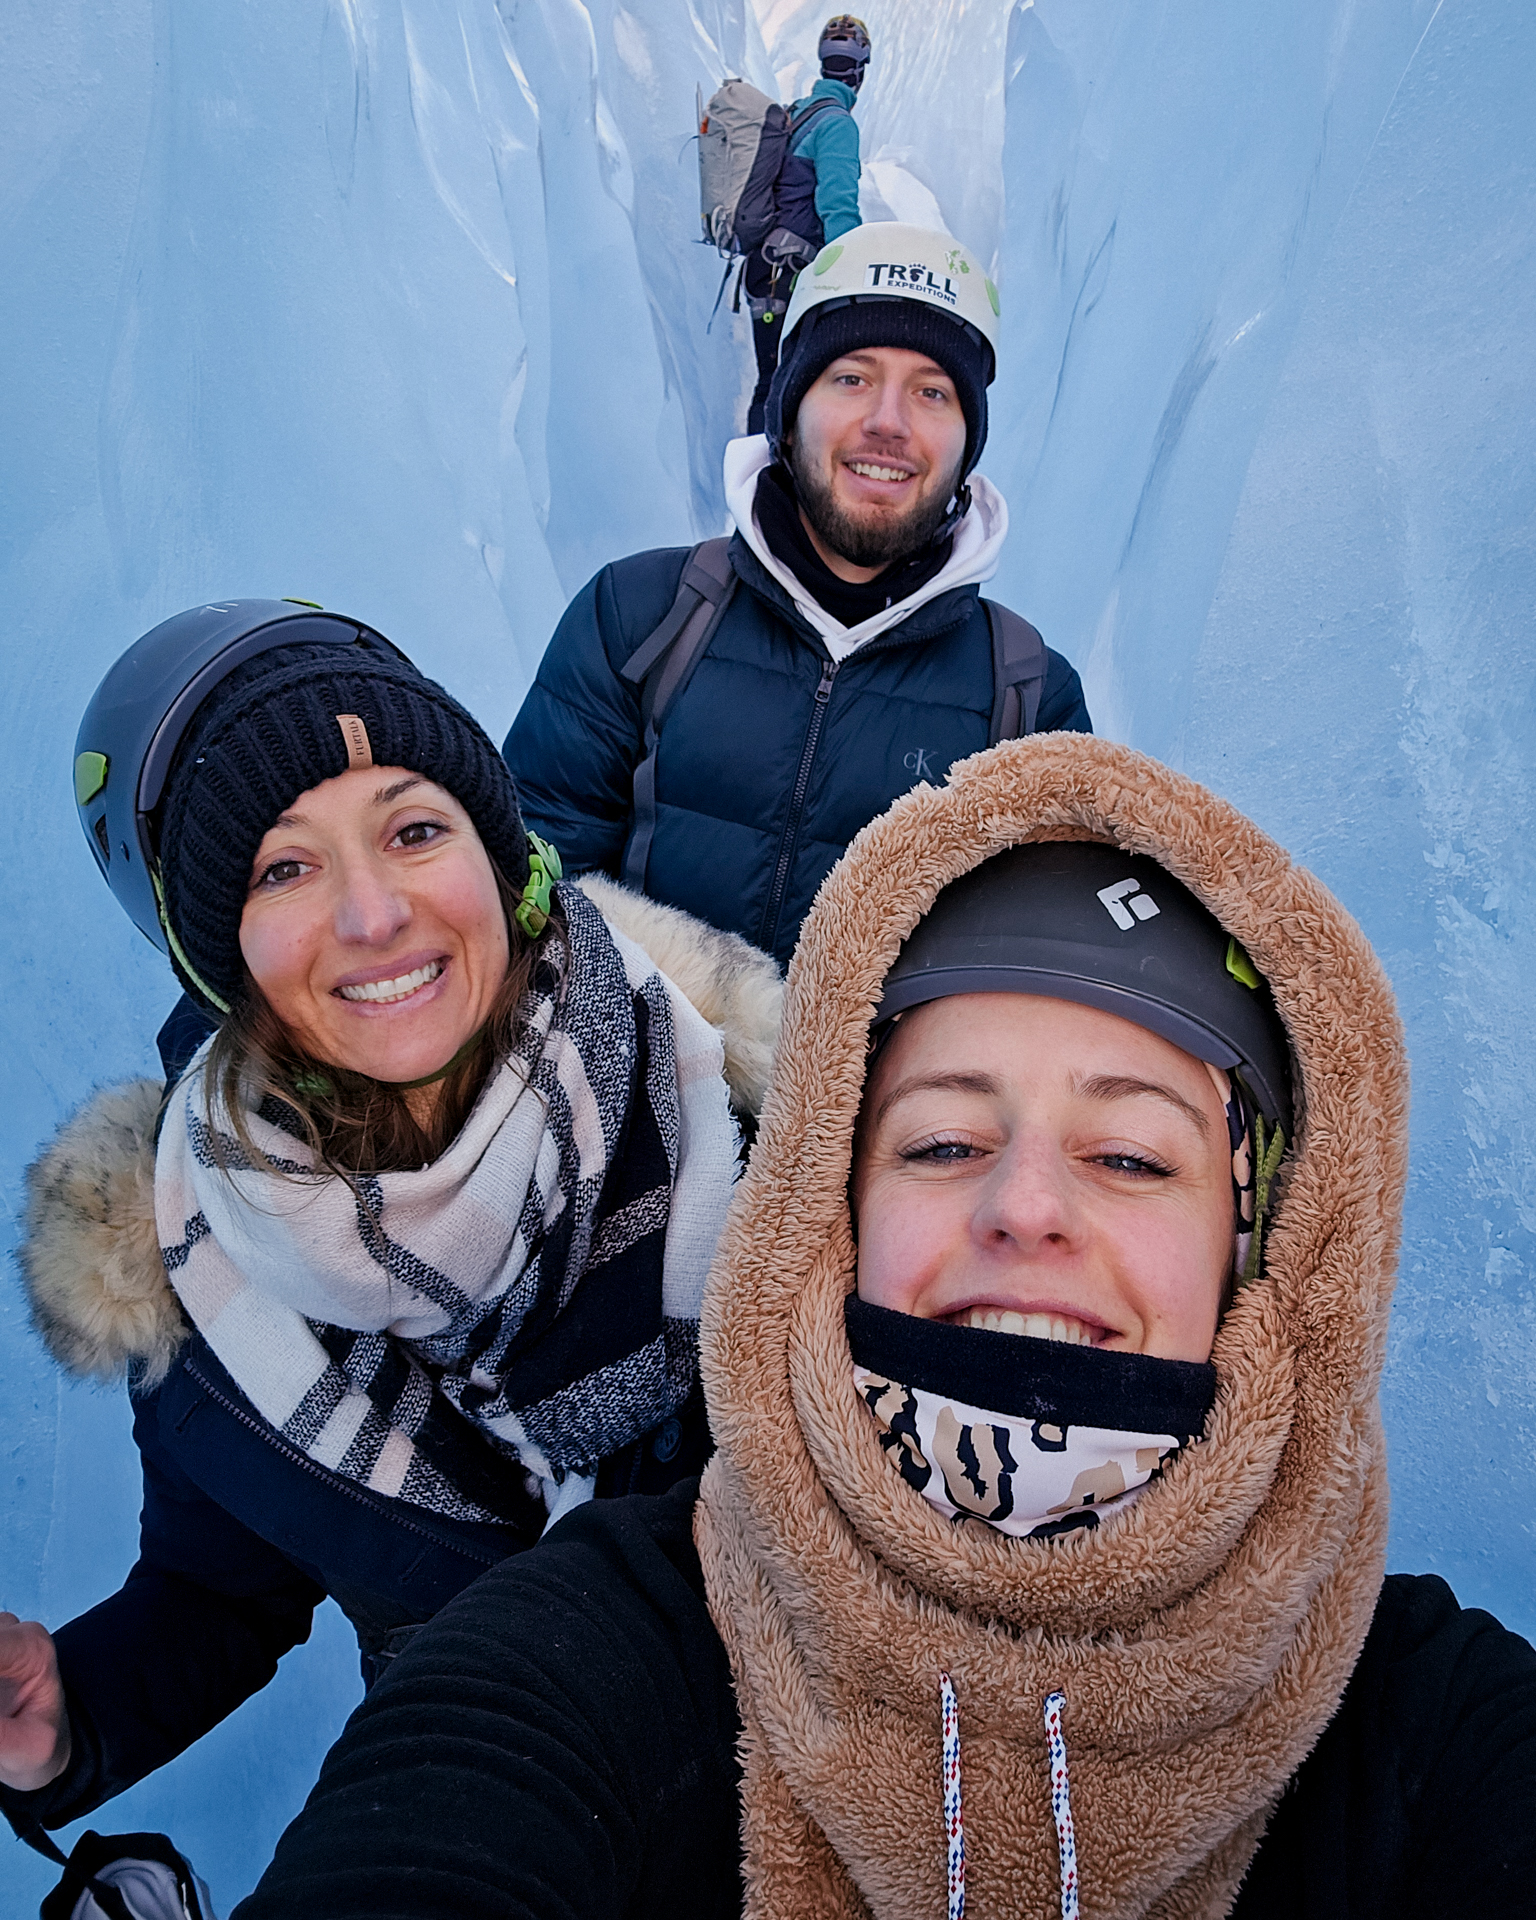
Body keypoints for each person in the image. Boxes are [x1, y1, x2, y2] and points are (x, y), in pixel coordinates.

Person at [228, 732, 1535, 1919]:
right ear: (827, 1211)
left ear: (1264, 1252)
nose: (1026, 1206)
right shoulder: (596, 1653)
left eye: (1134, 1157)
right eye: (946, 1138)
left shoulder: (1427, 1732)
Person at [0, 601, 780, 1857]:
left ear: (499, 856)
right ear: (215, 957)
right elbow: (218, 1589)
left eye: (415, 828)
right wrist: (69, 1720)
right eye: (284, 868)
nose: (375, 917)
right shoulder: (206, 1271)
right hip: (508, 1822)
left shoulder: (742, 1104)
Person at [506, 221, 1092, 969]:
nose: (888, 423)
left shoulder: (1032, 697)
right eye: (851, 377)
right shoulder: (638, 617)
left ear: (966, 442)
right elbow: (530, 895)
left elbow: (1041, 975)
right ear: (788, 414)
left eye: (932, 392)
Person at [743, 14, 869, 436]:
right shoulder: (836, 124)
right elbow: (838, 208)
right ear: (860, 72)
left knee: (771, 382)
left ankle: (750, 488)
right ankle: (771, 491)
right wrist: (852, 279)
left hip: (765, 269)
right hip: (794, 273)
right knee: (792, 387)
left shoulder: (794, 114)